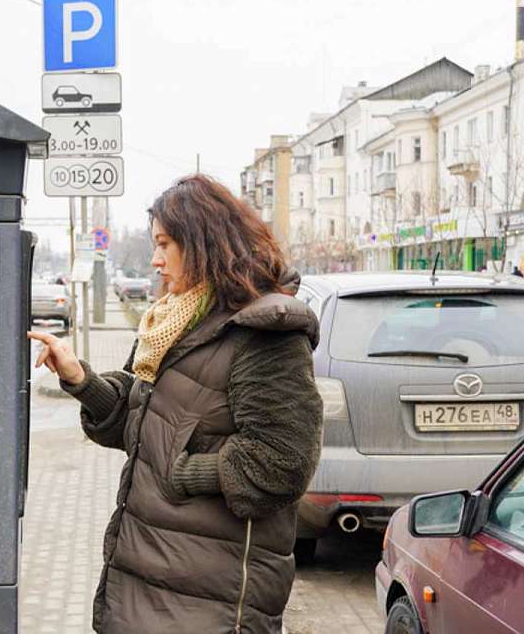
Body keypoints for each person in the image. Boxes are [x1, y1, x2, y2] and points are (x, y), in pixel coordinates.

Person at [28, 174, 323, 633]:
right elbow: (144, 422)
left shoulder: (263, 333)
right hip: (152, 581)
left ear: (204, 243)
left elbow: (282, 462)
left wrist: (182, 473)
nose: (155, 260)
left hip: (211, 601)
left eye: (165, 244)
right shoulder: (176, 322)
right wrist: (80, 380)